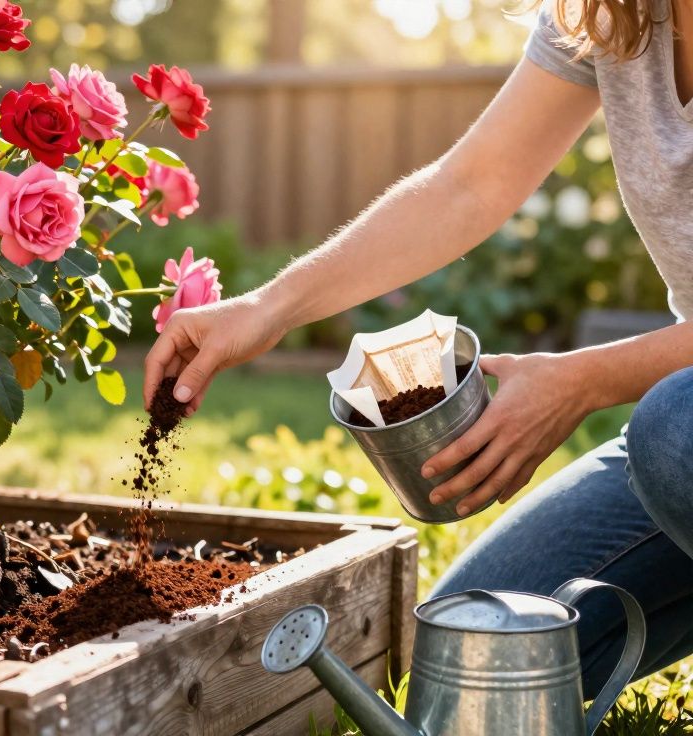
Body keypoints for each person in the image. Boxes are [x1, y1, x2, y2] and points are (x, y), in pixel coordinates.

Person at [144, 0, 693, 699]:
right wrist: (267, 308)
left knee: (670, 431)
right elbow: (470, 184)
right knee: (466, 658)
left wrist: (584, 380)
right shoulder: (612, 15)